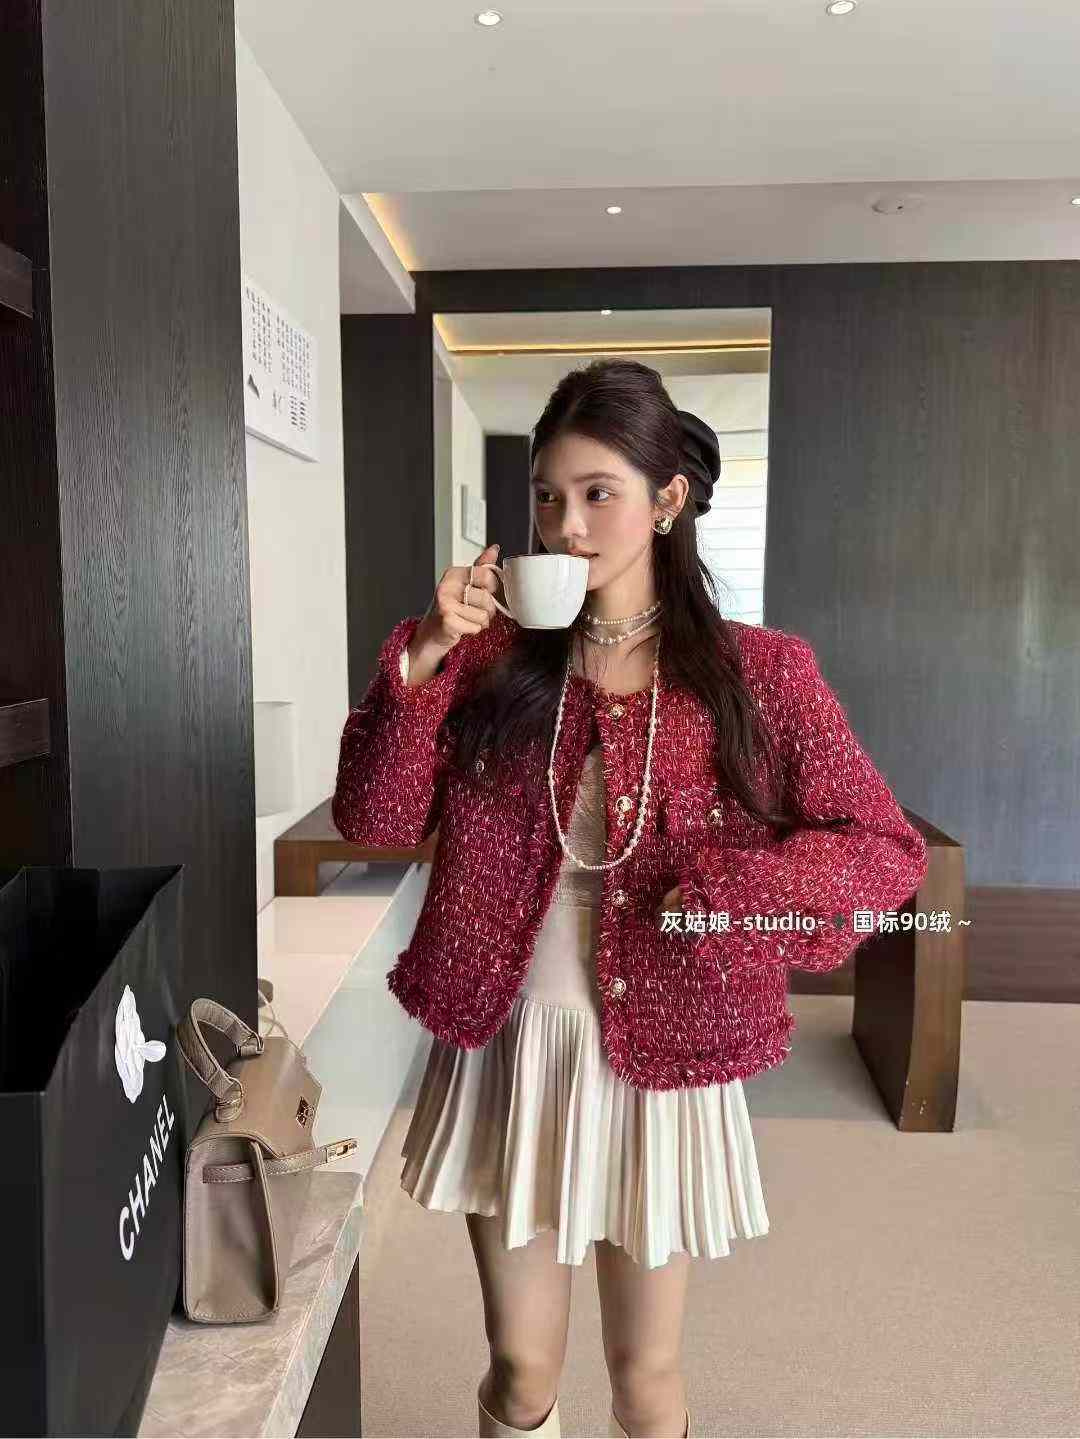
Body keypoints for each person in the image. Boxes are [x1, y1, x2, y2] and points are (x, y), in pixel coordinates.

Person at [331, 358, 928, 1439]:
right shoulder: (487, 661)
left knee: (644, 1378)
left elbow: (883, 847)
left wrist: (730, 893)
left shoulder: (760, 673)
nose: (566, 525)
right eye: (546, 496)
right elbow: (372, 815)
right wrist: (424, 652)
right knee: (521, 1368)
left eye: (597, 491)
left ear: (666, 499)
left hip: (667, 1050)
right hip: (511, 1042)